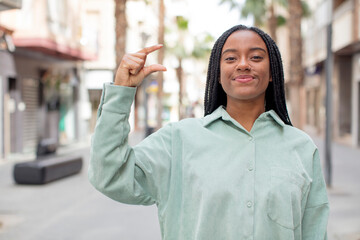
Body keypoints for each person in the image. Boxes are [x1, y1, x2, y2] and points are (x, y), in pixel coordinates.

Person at [89, 24, 329, 240]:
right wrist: (121, 93)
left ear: (273, 74)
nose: (243, 64)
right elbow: (110, 175)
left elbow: (314, 231)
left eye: (255, 57)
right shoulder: (178, 140)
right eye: (231, 58)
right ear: (218, 75)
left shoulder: (302, 148)